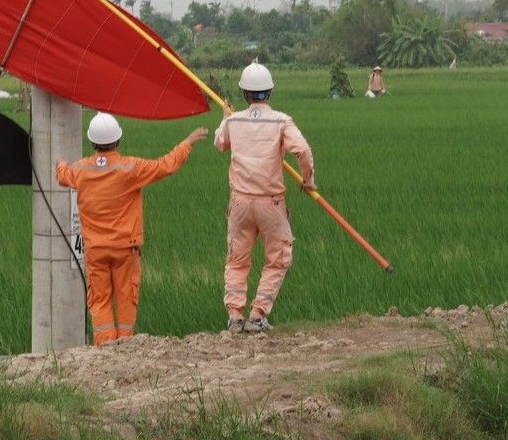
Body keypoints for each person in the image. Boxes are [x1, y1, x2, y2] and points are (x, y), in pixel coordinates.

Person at [56, 113, 208, 346]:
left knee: (99, 301)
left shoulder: (80, 170)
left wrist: (60, 164)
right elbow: (165, 166)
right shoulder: (130, 168)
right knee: (126, 297)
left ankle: (105, 346)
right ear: (117, 140)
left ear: (92, 142)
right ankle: (126, 346)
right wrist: (187, 142)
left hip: (95, 251)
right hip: (125, 249)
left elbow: (62, 175)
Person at [214, 61, 315, 333]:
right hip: (271, 203)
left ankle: (235, 316)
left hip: (240, 203)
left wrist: (225, 118)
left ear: (244, 94)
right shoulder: (281, 121)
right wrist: (308, 181)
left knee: (236, 259)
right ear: (269, 92)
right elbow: (302, 151)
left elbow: (220, 144)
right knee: (279, 258)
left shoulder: (233, 121)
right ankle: (257, 314)